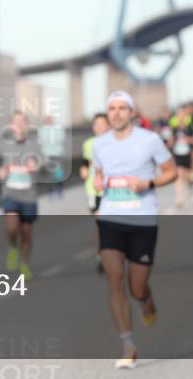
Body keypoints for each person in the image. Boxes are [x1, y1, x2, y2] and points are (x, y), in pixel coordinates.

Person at [92, 91, 176, 369]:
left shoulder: (149, 140)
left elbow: (171, 171)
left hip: (142, 220)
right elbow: (99, 174)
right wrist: (99, 181)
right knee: (114, 280)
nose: (116, 113)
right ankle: (128, 344)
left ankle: (146, 299)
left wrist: (148, 184)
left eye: (121, 108)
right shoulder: (99, 144)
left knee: (136, 286)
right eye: (111, 109)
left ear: (132, 113)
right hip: (110, 218)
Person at [0, 111, 45, 280]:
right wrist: (0, 171)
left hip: (29, 194)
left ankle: (24, 263)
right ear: (10, 125)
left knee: (26, 232)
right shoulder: (3, 143)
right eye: (15, 121)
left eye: (22, 121)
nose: (18, 124)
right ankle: (12, 247)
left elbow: (43, 164)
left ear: (27, 124)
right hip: (9, 193)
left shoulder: (34, 144)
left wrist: (36, 165)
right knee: (11, 227)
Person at [81, 112, 111, 274]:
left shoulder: (115, 143)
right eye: (96, 124)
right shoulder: (88, 144)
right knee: (100, 223)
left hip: (113, 189)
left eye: (102, 124)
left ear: (109, 125)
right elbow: (85, 162)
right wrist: (84, 169)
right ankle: (101, 255)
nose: (99, 127)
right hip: (94, 190)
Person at [167, 106, 193, 207]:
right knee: (178, 175)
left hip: (187, 154)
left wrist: (187, 139)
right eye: (179, 115)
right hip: (177, 154)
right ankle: (179, 197)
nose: (180, 117)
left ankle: (189, 187)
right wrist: (172, 142)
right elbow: (170, 142)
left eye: (182, 115)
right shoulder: (174, 129)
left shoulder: (189, 128)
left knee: (186, 176)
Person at [38, 115, 67, 200]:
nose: (49, 120)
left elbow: (61, 138)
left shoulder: (58, 128)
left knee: (59, 174)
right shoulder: (42, 129)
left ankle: (60, 189)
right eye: (48, 119)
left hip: (57, 154)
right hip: (47, 154)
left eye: (51, 119)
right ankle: (50, 191)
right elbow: (41, 140)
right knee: (49, 175)